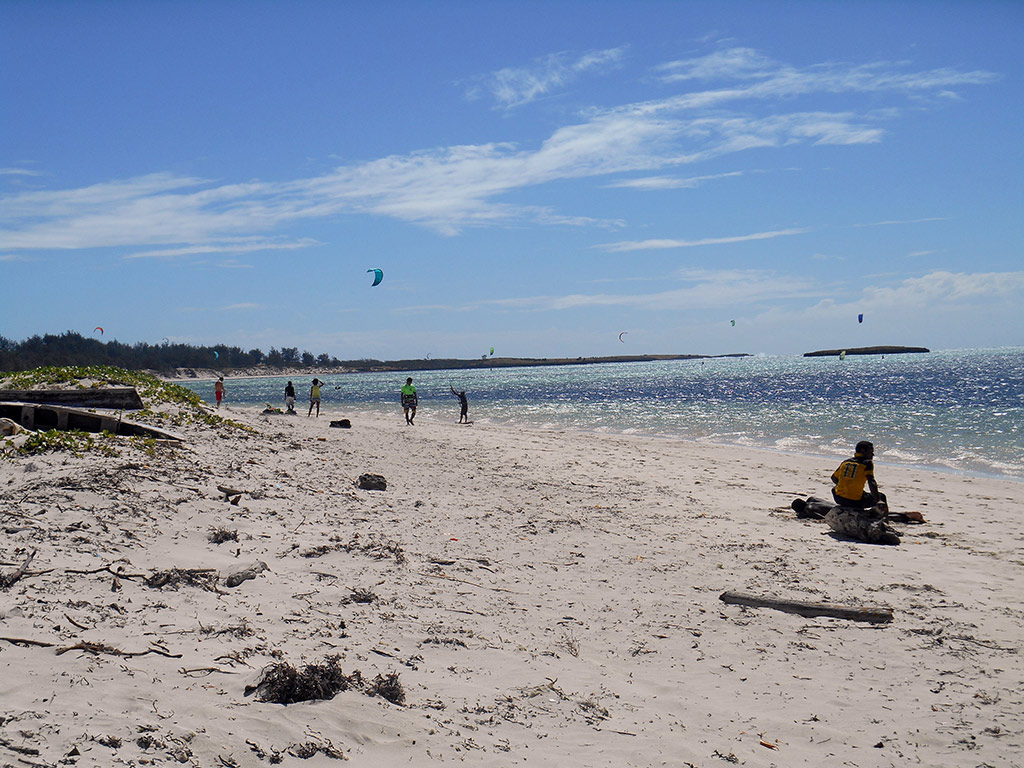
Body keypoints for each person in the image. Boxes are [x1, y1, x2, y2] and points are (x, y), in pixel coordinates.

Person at [831, 441, 887, 510]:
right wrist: (877, 499)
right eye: (870, 452)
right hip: (855, 501)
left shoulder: (846, 462)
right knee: (882, 496)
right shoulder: (867, 463)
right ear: (862, 450)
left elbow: (834, 478)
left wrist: (845, 486)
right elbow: (871, 481)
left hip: (839, 498)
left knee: (834, 489)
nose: (873, 454)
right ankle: (882, 515)